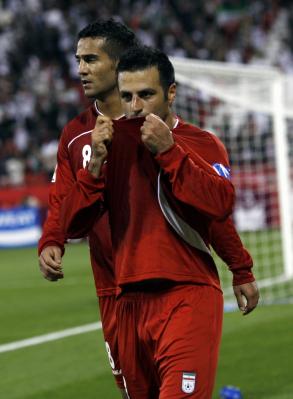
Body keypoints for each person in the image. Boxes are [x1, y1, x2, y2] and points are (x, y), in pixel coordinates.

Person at [60, 46, 259, 398]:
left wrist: (240, 268)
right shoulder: (109, 144)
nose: (135, 107)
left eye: (146, 95)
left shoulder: (201, 143)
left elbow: (218, 206)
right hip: (128, 303)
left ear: (171, 93)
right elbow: (73, 227)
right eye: (127, 97)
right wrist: (93, 170)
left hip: (186, 294)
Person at [37, 19, 140, 399]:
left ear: (120, 64)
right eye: (79, 59)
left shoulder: (152, 125)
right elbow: (60, 199)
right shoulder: (74, 134)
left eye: (91, 59)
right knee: (131, 390)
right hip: (111, 286)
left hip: (161, 279)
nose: (80, 69)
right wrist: (52, 240)